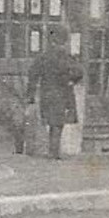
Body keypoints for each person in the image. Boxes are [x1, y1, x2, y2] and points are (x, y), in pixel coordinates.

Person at [26, 28, 84, 159]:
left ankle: (53, 151)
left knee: (52, 122)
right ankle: (53, 152)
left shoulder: (43, 57)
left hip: (47, 92)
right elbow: (79, 72)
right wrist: (71, 81)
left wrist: (30, 94)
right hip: (62, 93)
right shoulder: (65, 57)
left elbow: (33, 74)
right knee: (57, 123)